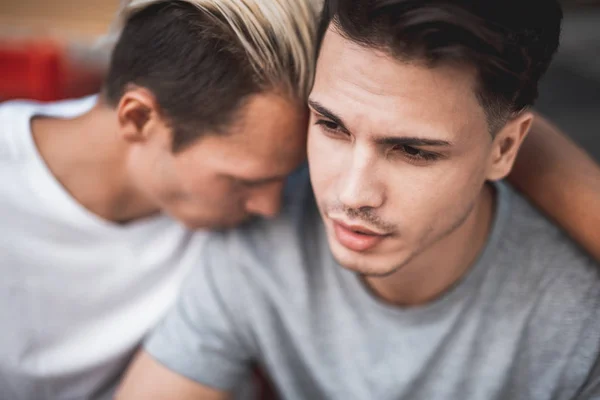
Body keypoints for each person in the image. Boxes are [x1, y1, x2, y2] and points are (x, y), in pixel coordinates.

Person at [116, 0, 600, 399]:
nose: (350, 193)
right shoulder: (264, 236)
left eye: (412, 150)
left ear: (507, 148)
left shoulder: (578, 324)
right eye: (331, 126)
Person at [0, 0, 319, 398]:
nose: (271, 208)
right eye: (243, 182)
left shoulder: (243, 212)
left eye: (281, 179)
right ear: (138, 119)